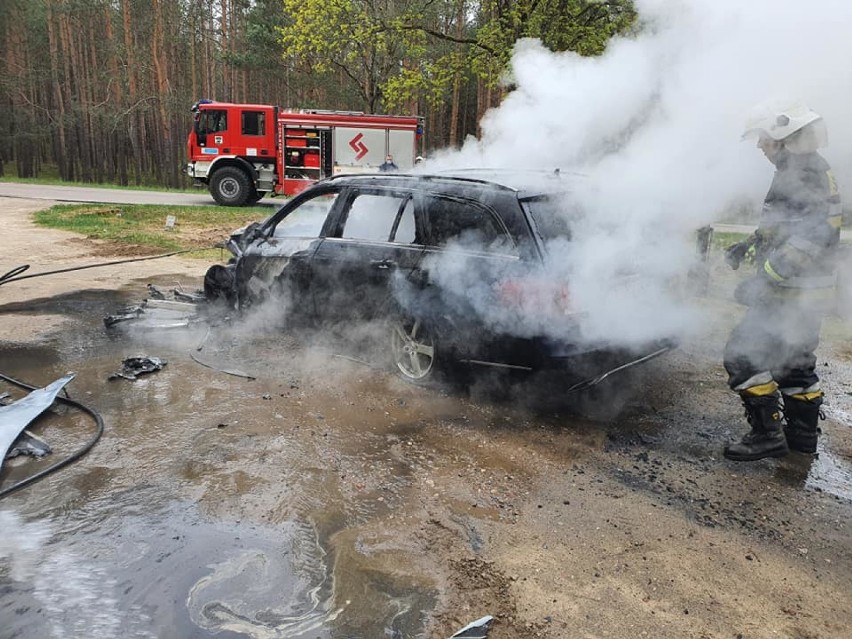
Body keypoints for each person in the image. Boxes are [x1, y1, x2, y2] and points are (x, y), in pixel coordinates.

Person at [722, 101, 841, 461]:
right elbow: (788, 223)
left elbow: (812, 235)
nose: (760, 146)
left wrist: (767, 279)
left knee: (742, 356)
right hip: (808, 292)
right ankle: (802, 439)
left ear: (784, 138)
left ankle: (766, 436)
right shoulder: (806, 168)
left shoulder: (804, 173)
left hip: (790, 292)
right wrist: (751, 242)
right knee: (795, 363)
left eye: (763, 139)